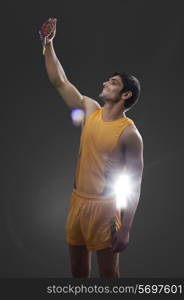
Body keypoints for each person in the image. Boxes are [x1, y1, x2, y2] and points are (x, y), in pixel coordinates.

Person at [39, 18, 144, 278]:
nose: (105, 84)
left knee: (108, 274)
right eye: (107, 81)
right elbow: (60, 82)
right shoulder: (90, 110)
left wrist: (126, 228)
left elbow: (134, 183)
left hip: (105, 208)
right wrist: (48, 44)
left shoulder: (130, 133)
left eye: (113, 83)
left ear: (126, 94)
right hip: (77, 201)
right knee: (78, 273)